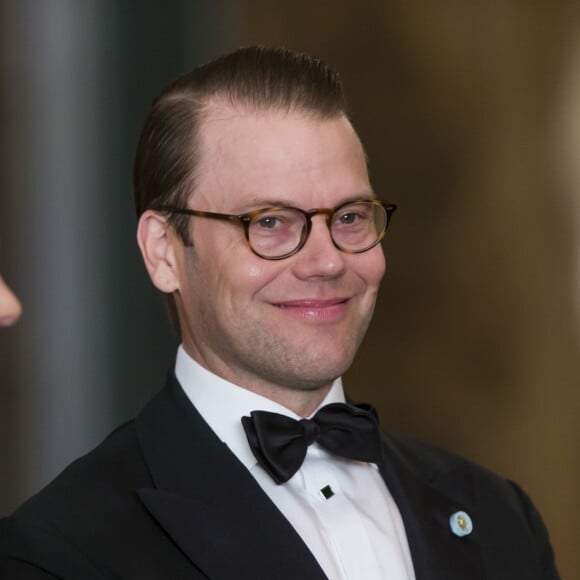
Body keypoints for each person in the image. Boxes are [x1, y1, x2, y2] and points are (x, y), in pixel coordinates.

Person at [0, 46, 559, 580]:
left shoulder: (498, 518)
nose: (326, 261)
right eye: (270, 222)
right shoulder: (60, 554)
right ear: (165, 252)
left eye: (349, 217)